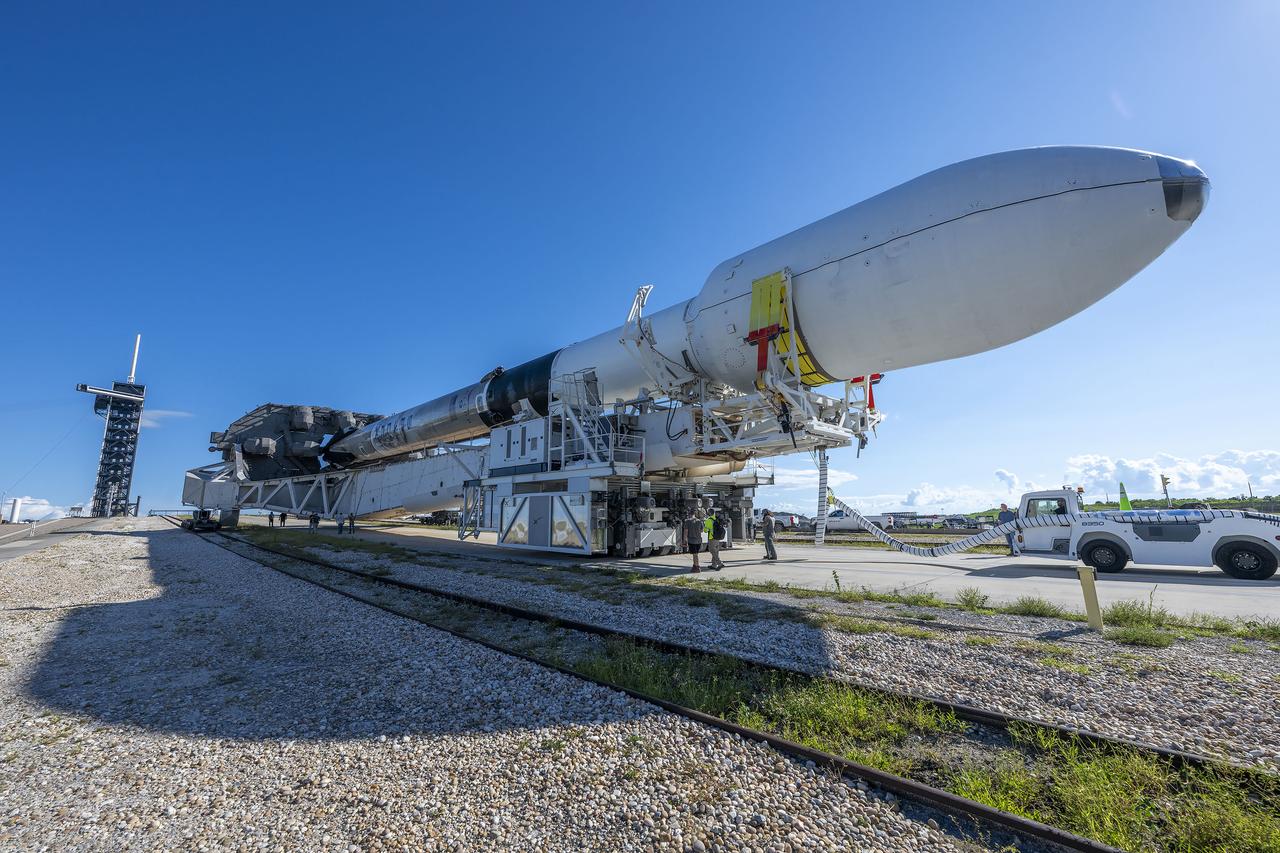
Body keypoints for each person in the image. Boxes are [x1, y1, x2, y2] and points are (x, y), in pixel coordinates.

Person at [682, 507, 705, 573]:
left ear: (689, 514)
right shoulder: (699, 521)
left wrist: (684, 540)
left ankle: (697, 567)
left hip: (692, 540)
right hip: (699, 540)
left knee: (695, 554)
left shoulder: (687, 521)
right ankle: (694, 566)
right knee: (696, 554)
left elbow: (686, 532)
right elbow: (702, 530)